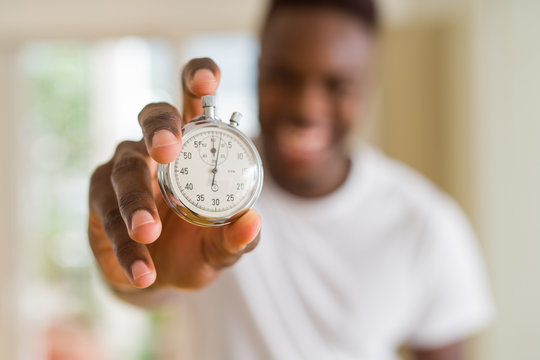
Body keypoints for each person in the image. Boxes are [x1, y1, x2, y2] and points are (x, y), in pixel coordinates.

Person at [88, 0, 494, 358]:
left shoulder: (427, 223)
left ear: (370, 86)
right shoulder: (184, 188)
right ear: (258, 69)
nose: (306, 107)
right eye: (284, 76)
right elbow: (153, 285)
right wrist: (137, 265)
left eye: (338, 84)